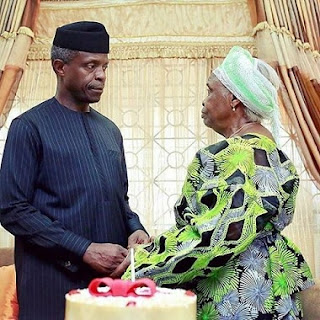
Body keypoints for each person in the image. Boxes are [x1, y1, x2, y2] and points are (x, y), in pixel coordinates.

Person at [117, 46, 315, 319]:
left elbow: (217, 237)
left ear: (234, 100)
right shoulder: (276, 156)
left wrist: (143, 261)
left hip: (237, 296)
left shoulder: (233, 155)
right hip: (276, 285)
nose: (204, 101)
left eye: (210, 91)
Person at [0, 21, 149, 320]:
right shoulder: (28, 127)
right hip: (51, 287)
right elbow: (12, 208)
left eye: (105, 66)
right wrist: (84, 249)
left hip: (109, 289)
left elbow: (120, 201)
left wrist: (136, 229)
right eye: (90, 65)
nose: (101, 76)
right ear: (60, 66)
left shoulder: (110, 131)